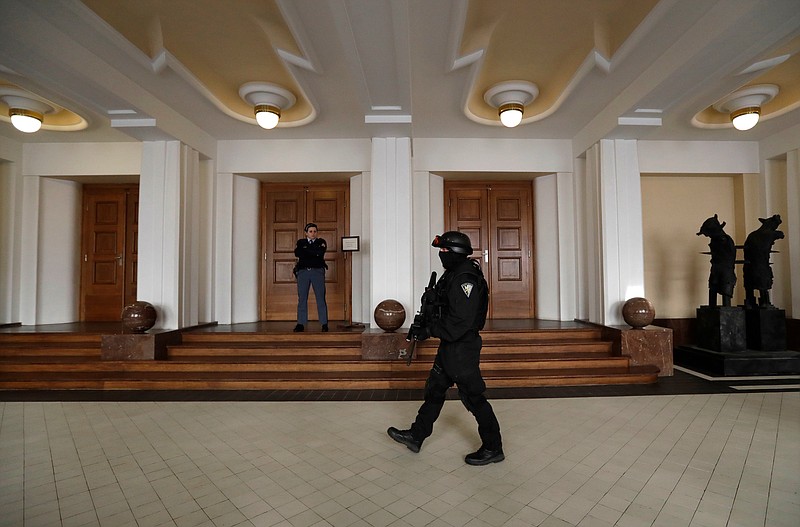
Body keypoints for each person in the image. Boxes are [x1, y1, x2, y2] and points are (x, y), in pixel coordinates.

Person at [387, 231, 504, 465]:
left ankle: (493, 447)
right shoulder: (452, 274)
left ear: (457, 253)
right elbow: (443, 310)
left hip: (462, 348)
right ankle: (417, 435)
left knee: (474, 398)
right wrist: (426, 324)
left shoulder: (465, 279)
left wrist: (430, 331)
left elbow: (460, 322)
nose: (441, 255)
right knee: (435, 390)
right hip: (450, 347)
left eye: (444, 251)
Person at [293, 223, 328, 332]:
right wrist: (312, 252)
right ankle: (301, 323)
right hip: (303, 272)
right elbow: (297, 253)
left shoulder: (321, 242)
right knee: (302, 297)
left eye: (315, 231)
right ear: (306, 233)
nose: (313, 233)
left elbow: (319, 253)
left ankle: (324, 323)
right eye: (311, 231)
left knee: (320, 297)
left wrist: (307, 251)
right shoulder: (301, 242)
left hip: (317, 272)